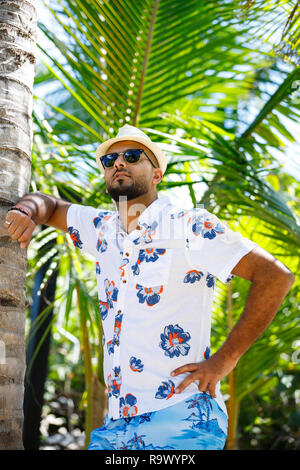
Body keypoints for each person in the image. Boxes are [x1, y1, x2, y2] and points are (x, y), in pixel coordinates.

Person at [4, 125, 295, 450]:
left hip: (181, 415)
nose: (118, 163)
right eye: (110, 159)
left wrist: (226, 359)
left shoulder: (190, 226)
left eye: (131, 156)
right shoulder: (100, 229)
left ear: (157, 174)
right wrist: (25, 211)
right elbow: (50, 205)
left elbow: (275, 276)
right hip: (115, 424)